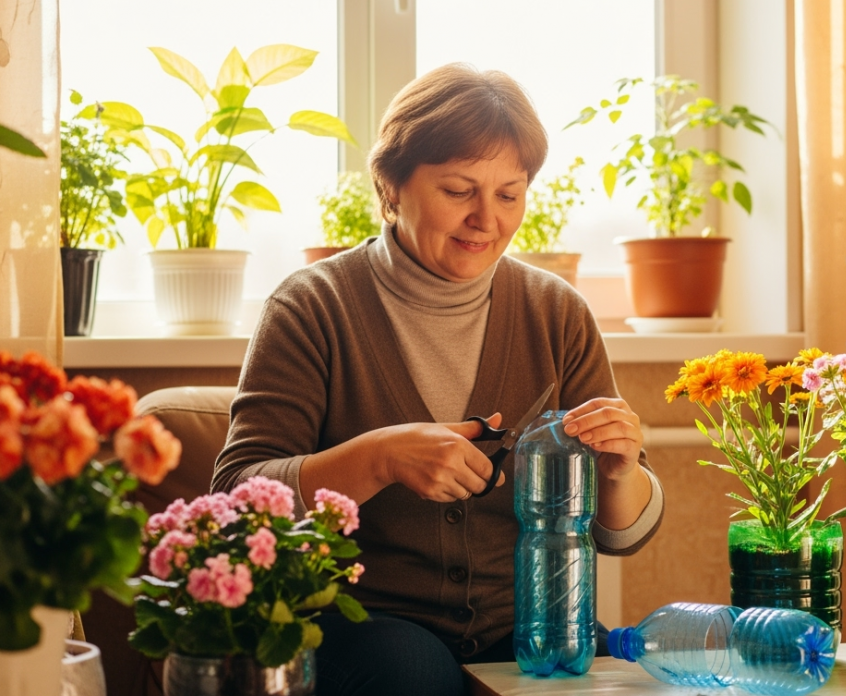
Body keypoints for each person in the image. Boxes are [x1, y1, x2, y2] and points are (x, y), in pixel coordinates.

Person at [212, 63, 664, 696]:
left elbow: (623, 534)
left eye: (509, 195)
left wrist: (619, 473)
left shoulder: (556, 312)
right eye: (458, 190)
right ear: (391, 185)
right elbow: (234, 503)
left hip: (532, 624)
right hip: (362, 623)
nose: (487, 219)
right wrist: (379, 459)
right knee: (413, 673)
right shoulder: (311, 307)